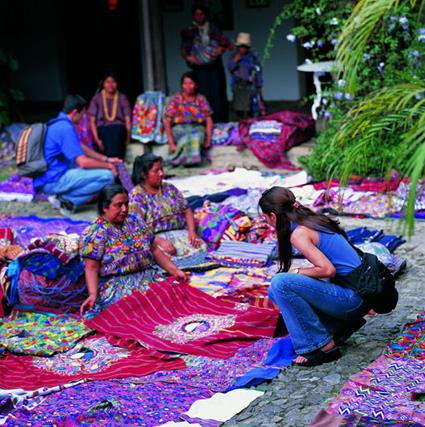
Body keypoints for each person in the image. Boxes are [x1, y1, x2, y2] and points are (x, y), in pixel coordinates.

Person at [259, 187, 371, 367]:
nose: (266, 222)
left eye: (264, 218)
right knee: (276, 290)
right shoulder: (312, 220)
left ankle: (318, 344)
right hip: (359, 295)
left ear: (272, 216)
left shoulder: (300, 233)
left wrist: (295, 273)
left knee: (281, 283)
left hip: (353, 300)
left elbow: (327, 270)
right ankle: (337, 325)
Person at [79, 184, 188, 314]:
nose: (124, 209)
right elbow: (91, 267)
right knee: (135, 308)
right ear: (104, 207)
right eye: (119, 205)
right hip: (117, 285)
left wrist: (175, 271)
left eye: (127, 204)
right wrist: (92, 294)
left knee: (175, 294)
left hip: (147, 277)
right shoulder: (95, 234)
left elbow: (154, 250)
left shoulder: (135, 222)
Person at [33, 94, 119, 215]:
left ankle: (63, 198)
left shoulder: (56, 123)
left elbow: (81, 147)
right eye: (82, 114)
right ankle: (67, 200)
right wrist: (108, 166)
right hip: (52, 180)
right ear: (74, 112)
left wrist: (106, 159)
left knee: (92, 170)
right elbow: (82, 162)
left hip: (46, 179)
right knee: (107, 176)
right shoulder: (65, 128)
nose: (83, 118)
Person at [129, 153, 206, 259]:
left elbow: (186, 209)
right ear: (143, 174)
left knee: (201, 247)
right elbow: (135, 225)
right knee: (165, 256)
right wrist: (157, 241)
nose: (161, 174)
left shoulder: (170, 189)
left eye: (162, 169)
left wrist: (192, 233)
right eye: (156, 171)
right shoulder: (137, 195)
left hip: (179, 232)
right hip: (154, 238)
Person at [180, 4, 232, 122]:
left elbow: (223, 43)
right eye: (197, 14)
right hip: (200, 69)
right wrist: (188, 58)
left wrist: (221, 50)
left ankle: (220, 122)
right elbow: (183, 49)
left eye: (201, 14)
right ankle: (204, 122)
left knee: (217, 94)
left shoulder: (213, 28)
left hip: (214, 67)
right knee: (202, 94)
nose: (199, 17)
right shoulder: (189, 31)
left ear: (206, 15)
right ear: (193, 16)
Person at [164, 72, 213, 166]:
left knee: (196, 137)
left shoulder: (201, 99)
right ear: (182, 85)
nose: (188, 86)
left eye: (191, 83)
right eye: (185, 83)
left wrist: (208, 139)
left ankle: (189, 161)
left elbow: (209, 119)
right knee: (185, 138)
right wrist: (171, 143)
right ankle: (182, 160)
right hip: (179, 128)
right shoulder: (175, 99)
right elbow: (167, 121)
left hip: (197, 127)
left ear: (196, 85)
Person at [88, 72, 132, 159]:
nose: (111, 84)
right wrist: (97, 140)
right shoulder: (97, 98)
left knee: (117, 132)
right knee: (106, 134)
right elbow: (92, 121)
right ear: (103, 84)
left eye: (113, 82)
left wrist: (128, 137)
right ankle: (112, 161)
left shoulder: (122, 97)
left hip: (118, 129)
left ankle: (115, 160)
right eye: (108, 82)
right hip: (103, 130)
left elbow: (128, 119)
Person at [227, 33, 264, 118]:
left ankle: (251, 123)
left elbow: (258, 71)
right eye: (241, 46)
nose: (242, 48)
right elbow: (230, 68)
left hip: (251, 86)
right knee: (240, 109)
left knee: (252, 108)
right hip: (238, 86)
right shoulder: (233, 56)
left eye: (245, 46)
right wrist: (237, 59)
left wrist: (259, 85)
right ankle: (241, 124)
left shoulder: (252, 57)